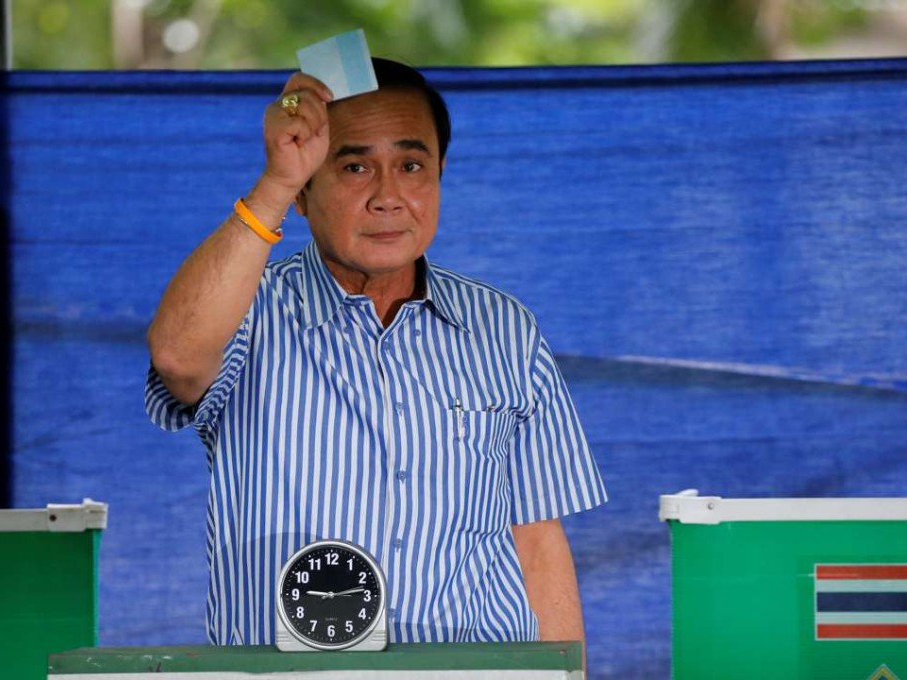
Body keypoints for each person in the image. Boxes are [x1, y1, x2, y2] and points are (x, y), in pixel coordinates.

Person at [145, 58, 607, 652]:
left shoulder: (504, 329)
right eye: (355, 166)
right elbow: (178, 358)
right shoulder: (252, 312)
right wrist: (276, 182)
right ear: (307, 194)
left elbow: (537, 539)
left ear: (440, 175)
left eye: (412, 166)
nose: (388, 197)